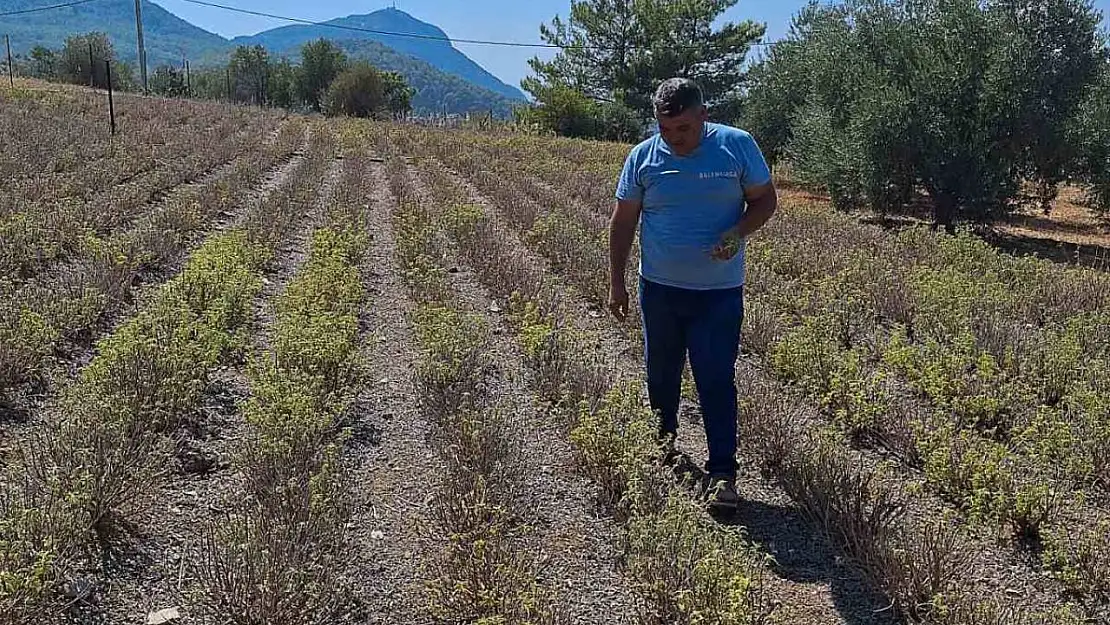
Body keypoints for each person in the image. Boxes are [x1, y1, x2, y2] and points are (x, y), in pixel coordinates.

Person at [608, 78, 778, 512]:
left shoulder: (737, 147)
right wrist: (617, 280)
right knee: (660, 373)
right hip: (659, 290)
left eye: (682, 128)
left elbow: (764, 201)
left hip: (718, 294)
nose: (673, 138)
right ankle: (663, 443)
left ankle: (723, 473)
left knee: (715, 378)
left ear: (704, 115)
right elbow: (624, 220)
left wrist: (738, 233)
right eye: (665, 129)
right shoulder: (643, 157)